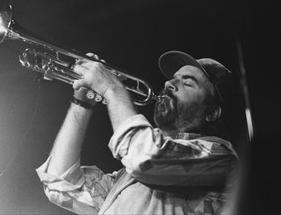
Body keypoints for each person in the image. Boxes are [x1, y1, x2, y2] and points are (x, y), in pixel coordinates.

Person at [36, 50, 239, 214]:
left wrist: (111, 88)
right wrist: (82, 101)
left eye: (187, 83)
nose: (168, 84)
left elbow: (145, 157)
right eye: (173, 79)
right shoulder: (128, 177)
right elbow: (61, 184)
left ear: (212, 113)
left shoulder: (221, 158)